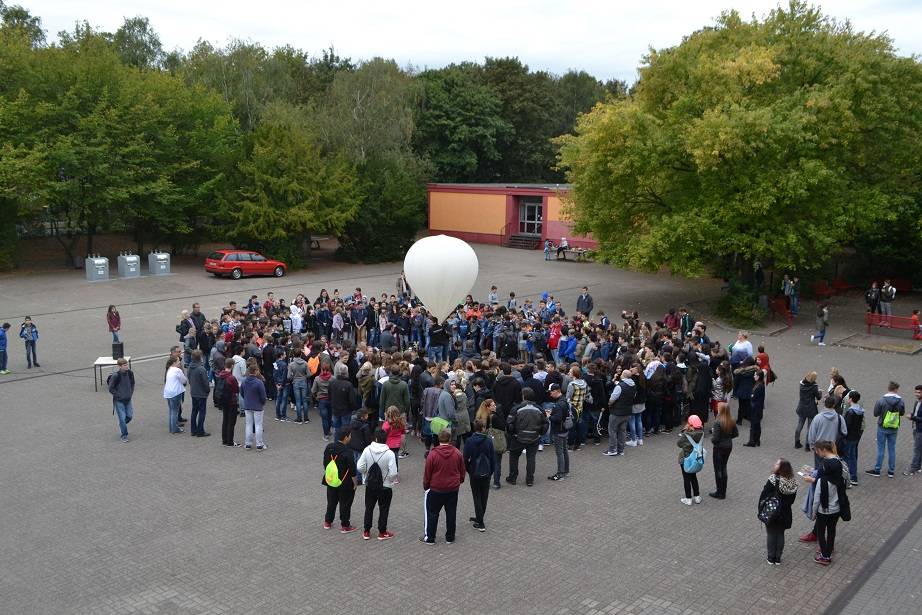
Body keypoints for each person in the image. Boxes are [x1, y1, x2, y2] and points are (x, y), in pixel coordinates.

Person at [804, 440, 850, 565]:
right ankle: (829, 551)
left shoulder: (822, 482)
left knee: (821, 532)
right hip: (836, 509)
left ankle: (824, 556)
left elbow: (816, 500)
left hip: (823, 511)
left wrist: (813, 514)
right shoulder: (840, 477)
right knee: (831, 531)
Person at [421, 429, 466, 545]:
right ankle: (450, 537)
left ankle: (430, 537)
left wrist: (426, 486)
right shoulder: (457, 453)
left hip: (436, 488)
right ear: (450, 439)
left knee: (432, 513)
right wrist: (459, 481)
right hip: (452, 489)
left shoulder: (432, 455)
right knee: (451, 513)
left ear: (438, 438)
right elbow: (462, 470)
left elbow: (427, 473)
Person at [356, 428, 398, 540]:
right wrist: (389, 480)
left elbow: (359, 467)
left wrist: (366, 474)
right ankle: (382, 532)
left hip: (370, 485)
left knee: (369, 508)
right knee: (384, 509)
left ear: (375, 438)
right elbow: (393, 473)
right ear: (386, 439)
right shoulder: (390, 453)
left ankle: (366, 531)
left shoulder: (367, 450)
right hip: (385, 487)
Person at [758, 458, 798, 565]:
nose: (774, 464)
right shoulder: (793, 482)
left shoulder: (773, 479)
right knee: (780, 534)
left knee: (771, 533)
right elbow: (792, 500)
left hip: (772, 511)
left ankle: (771, 558)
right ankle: (778, 558)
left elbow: (764, 495)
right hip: (785, 512)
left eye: (777, 464)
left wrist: (760, 509)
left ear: (781, 468)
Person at [505, 388, 547, 486]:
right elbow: (545, 423)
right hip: (534, 437)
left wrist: (512, 433)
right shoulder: (539, 409)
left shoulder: (516, 408)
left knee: (514, 457)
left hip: (518, 437)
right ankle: (529, 480)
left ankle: (513, 477)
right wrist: (540, 433)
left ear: (523, 396)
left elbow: (509, 423)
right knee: (531, 458)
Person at [322, 427, 358, 533]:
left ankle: (328, 522)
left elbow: (325, 463)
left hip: (331, 480)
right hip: (345, 483)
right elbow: (352, 470)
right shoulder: (348, 452)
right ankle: (345, 526)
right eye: (350, 435)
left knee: (331, 501)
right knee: (345, 504)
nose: (350, 437)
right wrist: (355, 483)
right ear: (346, 438)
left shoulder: (329, 447)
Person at [866, 381, 905, 478]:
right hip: (894, 427)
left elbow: (875, 413)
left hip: (882, 426)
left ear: (889, 388)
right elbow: (902, 413)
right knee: (892, 449)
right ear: (896, 389)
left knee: (881, 449)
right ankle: (891, 471)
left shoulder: (881, 400)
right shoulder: (901, 401)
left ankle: (877, 469)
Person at [463, 418, 495, 531]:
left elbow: (465, 458)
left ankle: (480, 522)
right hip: (486, 472)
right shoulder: (489, 441)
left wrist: (469, 470)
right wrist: (491, 471)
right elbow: (492, 458)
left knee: (476, 496)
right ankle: (480, 517)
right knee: (484, 496)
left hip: (474, 472)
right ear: (483, 428)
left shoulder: (469, 441)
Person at [709, 402, 738, 499]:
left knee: (718, 469)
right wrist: (728, 438)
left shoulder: (718, 422)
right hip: (728, 446)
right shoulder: (731, 420)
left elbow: (715, 439)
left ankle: (719, 492)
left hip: (719, 448)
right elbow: (736, 434)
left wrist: (712, 437)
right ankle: (723, 491)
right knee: (724, 467)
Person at [808, 396, 847, 466]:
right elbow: (844, 432)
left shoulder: (817, 418)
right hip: (833, 448)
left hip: (820, 448)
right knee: (832, 468)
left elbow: (812, 434)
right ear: (834, 405)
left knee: (819, 468)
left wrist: (812, 446)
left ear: (824, 404)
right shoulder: (840, 418)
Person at [605, 370, 635, 457]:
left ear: (624, 375)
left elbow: (612, 398)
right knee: (622, 431)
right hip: (627, 412)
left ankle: (612, 449)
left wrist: (609, 404)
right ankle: (621, 450)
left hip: (617, 412)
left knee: (612, 430)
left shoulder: (620, 386)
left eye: (622, 374)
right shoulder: (633, 385)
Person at [678, 414, 704, 505]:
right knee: (693, 477)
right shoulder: (701, 433)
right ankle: (697, 497)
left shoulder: (687, 434)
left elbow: (679, 444)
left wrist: (684, 431)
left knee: (686, 478)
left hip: (686, 459)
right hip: (695, 459)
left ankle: (688, 498)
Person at [546, 383, 571, 480]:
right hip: (564, 429)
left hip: (558, 431)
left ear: (557, 391)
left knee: (559, 452)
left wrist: (549, 416)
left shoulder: (558, 404)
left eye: (551, 392)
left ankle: (560, 474)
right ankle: (566, 471)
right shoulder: (564, 400)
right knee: (564, 450)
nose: (550, 394)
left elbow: (557, 419)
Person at [240, 364, 268, 450]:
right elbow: (263, 396)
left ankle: (248, 444)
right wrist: (262, 403)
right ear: (255, 371)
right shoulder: (259, 382)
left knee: (248, 425)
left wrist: (246, 400)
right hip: (258, 406)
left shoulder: (244, 381)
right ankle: (259, 444)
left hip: (247, 405)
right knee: (258, 425)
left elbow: (242, 393)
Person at [107, 357, 135, 442]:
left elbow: (132, 383)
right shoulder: (116, 376)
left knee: (129, 416)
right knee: (122, 418)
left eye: (127, 364)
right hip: (119, 401)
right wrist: (118, 395)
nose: (127, 366)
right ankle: (124, 435)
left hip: (128, 399)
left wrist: (130, 393)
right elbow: (110, 388)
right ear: (119, 366)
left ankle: (122, 425)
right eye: (124, 365)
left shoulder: (130, 373)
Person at [216, 358, 240, 447]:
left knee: (225, 420)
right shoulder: (231, 378)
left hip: (223, 400)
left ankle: (224, 440)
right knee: (231, 422)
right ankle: (230, 441)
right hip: (231, 401)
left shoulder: (220, 375)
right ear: (232, 366)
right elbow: (236, 389)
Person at [794, 371, 821, 450]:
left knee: (799, 425)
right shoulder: (814, 386)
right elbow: (818, 397)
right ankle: (807, 445)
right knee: (810, 428)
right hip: (811, 409)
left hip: (802, 407)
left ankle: (797, 442)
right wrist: (819, 392)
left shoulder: (801, 384)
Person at [842, 391, 864, 485]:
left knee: (846, 457)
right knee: (853, 456)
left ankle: (847, 477)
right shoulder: (860, 411)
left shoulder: (850, 412)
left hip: (849, 437)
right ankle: (854, 476)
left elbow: (846, 426)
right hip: (856, 436)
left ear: (850, 399)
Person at [187, 349, 211, 437]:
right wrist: (207, 390)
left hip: (194, 392)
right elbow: (205, 382)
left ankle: (193, 430)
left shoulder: (190, 367)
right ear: (200, 358)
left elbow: (189, 378)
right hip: (201, 394)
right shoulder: (201, 369)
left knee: (194, 411)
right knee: (202, 412)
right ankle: (200, 431)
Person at [349, 408, 373, 484]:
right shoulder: (365, 426)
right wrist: (369, 446)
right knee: (360, 463)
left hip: (353, 446)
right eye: (366, 415)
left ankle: (353, 476)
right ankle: (359, 479)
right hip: (361, 447)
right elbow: (367, 438)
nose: (368, 416)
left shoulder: (352, 422)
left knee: (354, 461)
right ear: (363, 417)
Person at [744, 370, 765, 447]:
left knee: (753, 426)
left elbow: (753, 396)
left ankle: (752, 441)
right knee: (757, 425)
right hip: (758, 409)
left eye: (755, 375)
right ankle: (757, 440)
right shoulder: (760, 384)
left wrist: (751, 396)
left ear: (758, 377)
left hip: (755, 409)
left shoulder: (759, 386)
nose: (754, 376)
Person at [905, 385, 922, 476]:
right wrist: (912, 415)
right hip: (915, 428)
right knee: (919, 448)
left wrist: (912, 417)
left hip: (920, 430)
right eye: (916, 392)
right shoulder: (917, 402)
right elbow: (916, 413)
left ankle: (912, 469)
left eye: (919, 392)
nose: (916, 394)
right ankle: (918, 467)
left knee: (917, 449)